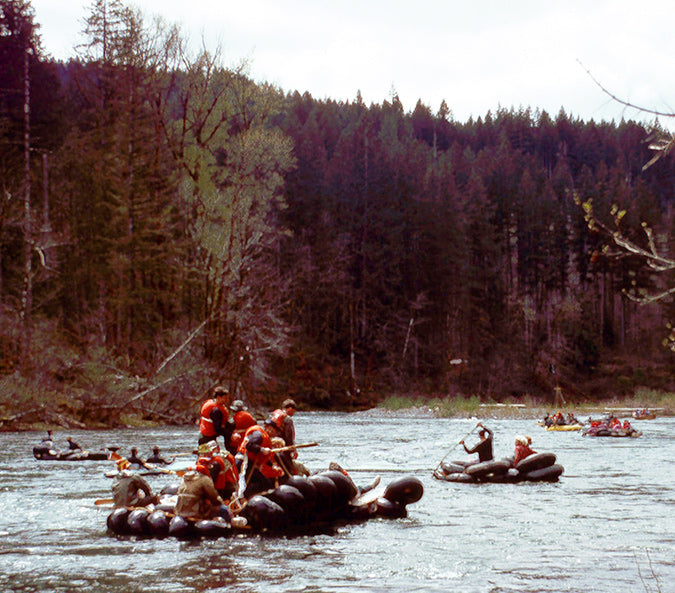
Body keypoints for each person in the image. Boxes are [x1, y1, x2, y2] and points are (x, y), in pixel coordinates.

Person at [236, 416, 285, 497]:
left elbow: (263, 457)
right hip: (243, 462)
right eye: (274, 430)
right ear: (268, 428)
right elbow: (249, 445)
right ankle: (243, 497)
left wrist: (272, 466)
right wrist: (262, 449)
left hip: (249, 463)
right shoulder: (258, 434)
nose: (275, 433)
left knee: (265, 483)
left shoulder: (264, 437)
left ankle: (246, 497)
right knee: (264, 483)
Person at [175, 456, 230, 521]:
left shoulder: (184, 478)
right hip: (196, 512)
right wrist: (220, 502)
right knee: (224, 509)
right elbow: (214, 497)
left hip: (180, 511)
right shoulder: (204, 479)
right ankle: (228, 528)